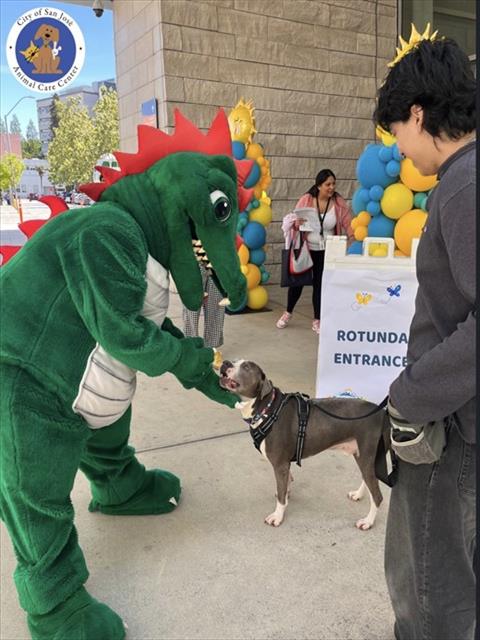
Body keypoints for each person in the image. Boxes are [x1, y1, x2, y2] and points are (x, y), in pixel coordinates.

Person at [374, 28, 476, 640]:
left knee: (430, 585)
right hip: (459, 420)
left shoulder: (463, 185)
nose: (401, 150)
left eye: (397, 132)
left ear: (418, 114)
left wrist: (409, 394)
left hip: (450, 431)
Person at [276, 169, 353, 333]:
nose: (331, 187)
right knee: (298, 282)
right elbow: (294, 221)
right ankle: (288, 312)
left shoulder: (338, 202)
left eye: (333, 184)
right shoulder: (307, 199)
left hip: (327, 251)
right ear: (319, 186)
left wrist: (351, 240)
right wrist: (297, 223)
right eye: (327, 184)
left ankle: (318, 319)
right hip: (307, 248)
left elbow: (349, 224)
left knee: (320, 285)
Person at [182, 262, 225, 348]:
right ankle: (191, 346)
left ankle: (212, 347)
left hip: (215, 262)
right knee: (192, 307)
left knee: (216, 305)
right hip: (194, 261)